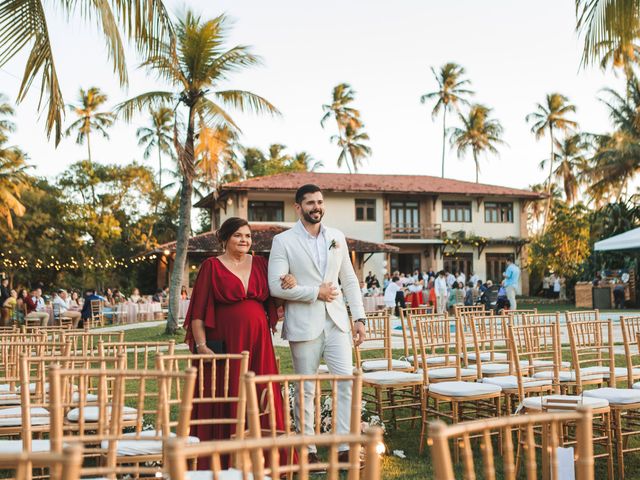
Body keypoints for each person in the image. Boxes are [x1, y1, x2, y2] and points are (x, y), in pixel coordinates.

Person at [268, 184, 366, 465]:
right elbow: (275, 285)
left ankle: (346, 445)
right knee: (305, 387)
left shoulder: (336, 237)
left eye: (320, 202)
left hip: (337, 322)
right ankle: (307, 448)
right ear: (298, 207)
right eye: (310, 203)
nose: (316, 207)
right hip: (304, 323)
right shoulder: (283, 241)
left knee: (345, 383)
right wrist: (314, 292)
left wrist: (358, 318)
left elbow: (348, 279)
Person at [184, 217, 294, 468]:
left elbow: (275, 299)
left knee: (261, 391)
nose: (244, 240)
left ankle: (268, 459)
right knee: (227, 391)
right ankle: (223, 458)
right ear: (224, 239)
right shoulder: (211, 267)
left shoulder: (260, 264)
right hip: (225, 341)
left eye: (248, 236)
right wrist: (202, 346)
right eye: (238, 236)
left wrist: (289, 281)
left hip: (259, 342)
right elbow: (197, 314)